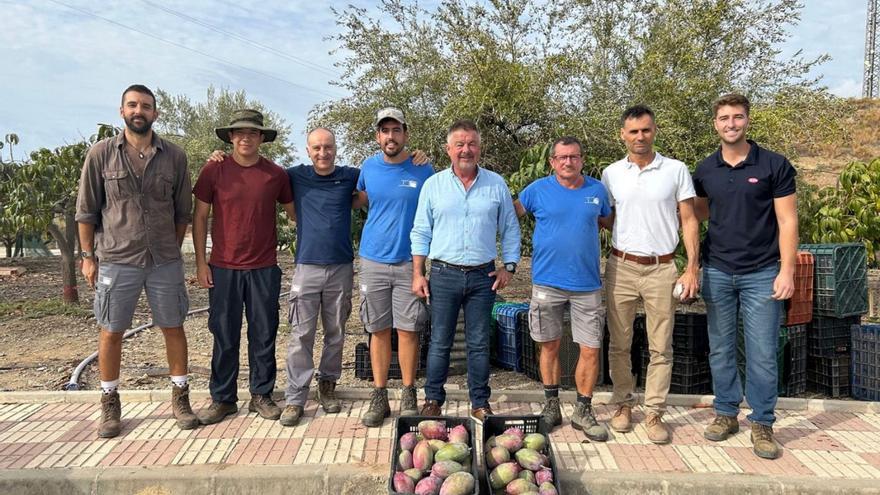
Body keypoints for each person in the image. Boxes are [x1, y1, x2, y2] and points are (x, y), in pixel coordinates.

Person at [76, 84, 196, 438]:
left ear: (155, 113)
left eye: (145, 105)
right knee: (112, 331)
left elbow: (182, 212)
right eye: (132, 105)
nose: (138, 110)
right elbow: (86, 211)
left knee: (173, 326)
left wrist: (170, 250)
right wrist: (87, 257)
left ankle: (180, 397)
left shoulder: (175, 156)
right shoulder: (100, 154)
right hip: (117, 257)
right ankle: (110, 403)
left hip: (164, 260)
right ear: (122, 111)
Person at [693, 93, 797, 460]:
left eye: (737, 117)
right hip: (718, 270)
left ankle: (763, 421)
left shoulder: (773, 165)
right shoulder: (705, 170)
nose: (731, 124)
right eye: (724, 118)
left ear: (747, 121)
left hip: (763, 272)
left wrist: (787, 270)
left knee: (762, 352)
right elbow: (702, 215)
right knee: (720, 349)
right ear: (715, 124)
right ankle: (726, 413)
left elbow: (787, 220)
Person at [600, 105, 700, 444]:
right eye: (633, 131)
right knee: (619, 343)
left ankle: (655, 411)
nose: (639, 137)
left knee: (661, 345)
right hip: (621, 266)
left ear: (654, 131)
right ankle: (623, 404)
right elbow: (606, 219)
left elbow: (689, 219)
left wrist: (691, 267)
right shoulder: (611, 173)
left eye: (645, 130)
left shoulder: (675, 170)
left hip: (662, 268)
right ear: (622, 135)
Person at [410, 119, 521, 423]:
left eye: (471, 143)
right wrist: (418, 273)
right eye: (459, 144)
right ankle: (433, 399)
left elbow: (510, 228)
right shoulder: (434, 185)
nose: (466, 150)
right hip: (444, 274)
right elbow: (420, 231)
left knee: (479, 342)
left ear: (479, 147)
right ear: (448, 149)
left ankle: (480, 402)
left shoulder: (495, 184)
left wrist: (509, 266)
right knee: (440, 341)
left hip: (482, 277)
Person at [192, 109, 295, 426]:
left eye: (252, 133)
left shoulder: (276, 175)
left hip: (264, 267)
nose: (245, 137)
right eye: (239, 133)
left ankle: (261, 395)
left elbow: (296, 214)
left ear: (262, 138)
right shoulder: (214, 170)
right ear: (231, 137)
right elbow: (199, 217)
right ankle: (223, 398)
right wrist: (200, 262)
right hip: (223, 267)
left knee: (264, 333)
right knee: (224, 334)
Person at [514, 136, 612, 440]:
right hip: (546, 283)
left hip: (587, 285)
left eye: (574, 157)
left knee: (591, 349)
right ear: (552, 162)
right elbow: (508, 216)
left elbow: (611, 222)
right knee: (549, 345)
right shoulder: (536, 190)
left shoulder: (597, 191)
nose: (568, 162)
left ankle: (583, 409)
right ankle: (551, 404)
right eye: (562, 157)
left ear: (581, 160)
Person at [356, 108, 434, 427]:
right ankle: (379, 395)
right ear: (378, 136)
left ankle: (408, 392)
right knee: (377, 329)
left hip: (408, 263)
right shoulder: (368, 168)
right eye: (384, 130)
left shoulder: (423, 169)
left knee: (408, 329)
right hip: (372, 260)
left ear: (405, 133)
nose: (391, 136)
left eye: (396, 130)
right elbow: (356, 199)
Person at [279, 127, 361, 426]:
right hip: (307, 267)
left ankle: (327, 386)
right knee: (301, 333)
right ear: (308, 150)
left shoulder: (351, 176)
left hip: (341, 267)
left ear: (336, 148)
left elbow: (382, 175)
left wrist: (414, 158)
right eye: (317, 148)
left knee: (336, 332)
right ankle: (295, 397)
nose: (323, 153)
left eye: (328, 147)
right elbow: (257, 169)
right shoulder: (294, 175)